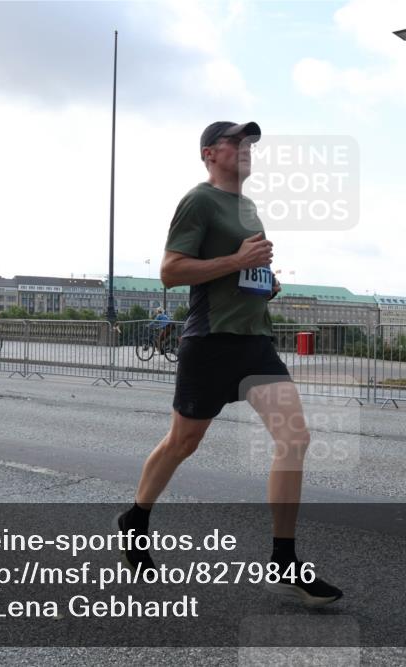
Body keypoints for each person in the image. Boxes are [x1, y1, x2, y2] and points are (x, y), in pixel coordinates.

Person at [116, 121, 343, 607]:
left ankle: (284, 557)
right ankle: (136, 518)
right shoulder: (198, 201)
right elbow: (171, 271)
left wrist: (264, 279)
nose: (245, 149)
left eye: (250, 144)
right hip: (211, 341)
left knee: (295, 437)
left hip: (254, 341)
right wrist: (239, 262)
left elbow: (243, 268)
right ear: (208, 153)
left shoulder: (248, 207)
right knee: (184, 442)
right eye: (236, 142)